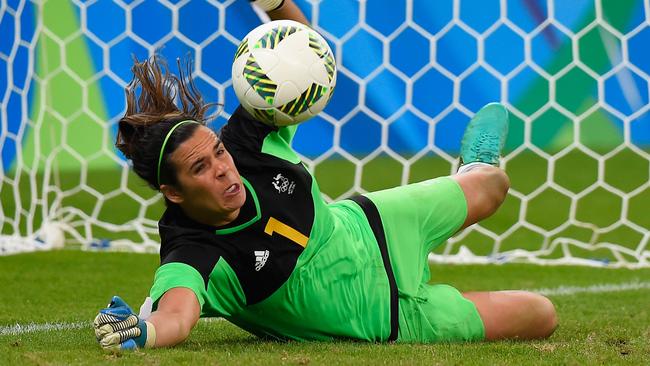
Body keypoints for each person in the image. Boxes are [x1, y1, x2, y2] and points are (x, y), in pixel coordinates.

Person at [93, 0, 557, 350]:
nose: (223, 169)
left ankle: (473, 165)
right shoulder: (191, 252)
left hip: (374, 225)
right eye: (201, 168)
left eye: (216, 151)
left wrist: (276, 6)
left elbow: (304, 57)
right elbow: (177, 314)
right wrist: (147, 330)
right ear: (173, 193)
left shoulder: (247, 143)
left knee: (492, 187)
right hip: (387, 316)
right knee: (541, 315)